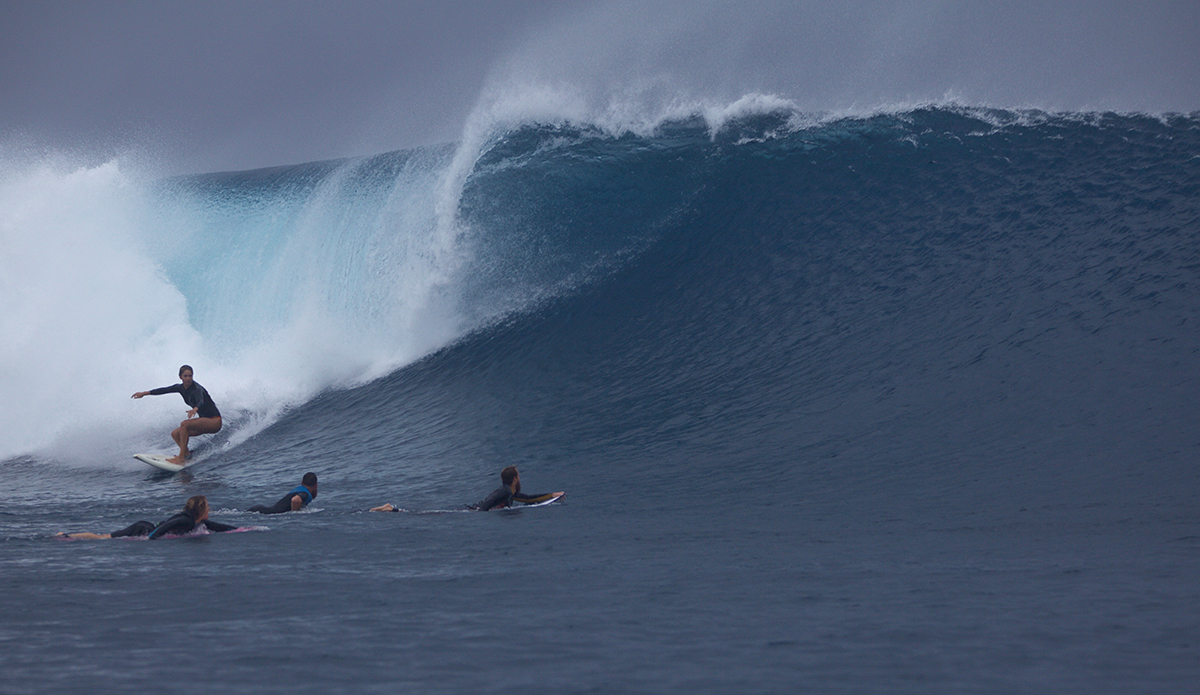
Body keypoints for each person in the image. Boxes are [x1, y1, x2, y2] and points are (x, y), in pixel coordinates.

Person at [369, 465, 563, 512]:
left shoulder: (510, 492)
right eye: (519, 476)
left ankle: (393, 509)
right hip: (468, 512)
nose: (520, 479)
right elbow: (486, 504)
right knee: (424, 514)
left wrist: (552, 495)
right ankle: (392, 509)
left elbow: (528, 499)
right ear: (513, 479)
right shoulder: (504, 491)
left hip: (471, 511)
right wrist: (479, 513)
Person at [132, 364, 222, 464]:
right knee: (175, 434)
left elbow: (200, 400)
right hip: (204, 422)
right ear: (180, 377)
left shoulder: (197, 388)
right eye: (185, 376)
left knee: (184, 424)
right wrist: (144, 393)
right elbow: (164, 390)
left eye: (190, 376)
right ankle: (187, 454)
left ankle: (181, 457)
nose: (188, 378)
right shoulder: (180, 388)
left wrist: (195, 409)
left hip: (214, 421)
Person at [56, 495, 237, 540]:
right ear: (200, 509)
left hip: (147, 528)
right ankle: (66, 536)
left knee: (103, 537)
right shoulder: (187, 520)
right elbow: (168, 526)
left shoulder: (196, 520)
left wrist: (240, 530)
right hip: (143, 529)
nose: (210, 509)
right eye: (207, 506)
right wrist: (151, 538)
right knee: (102, 538)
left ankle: (66, 535)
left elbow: (218, 526)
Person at [248, 472, 318, 514]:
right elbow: (295, 500)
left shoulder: (299, 489)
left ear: (302, 483)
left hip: (260, 510)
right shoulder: (306, 494)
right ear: (315, 485)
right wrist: (295, 516)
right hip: (263, 513)